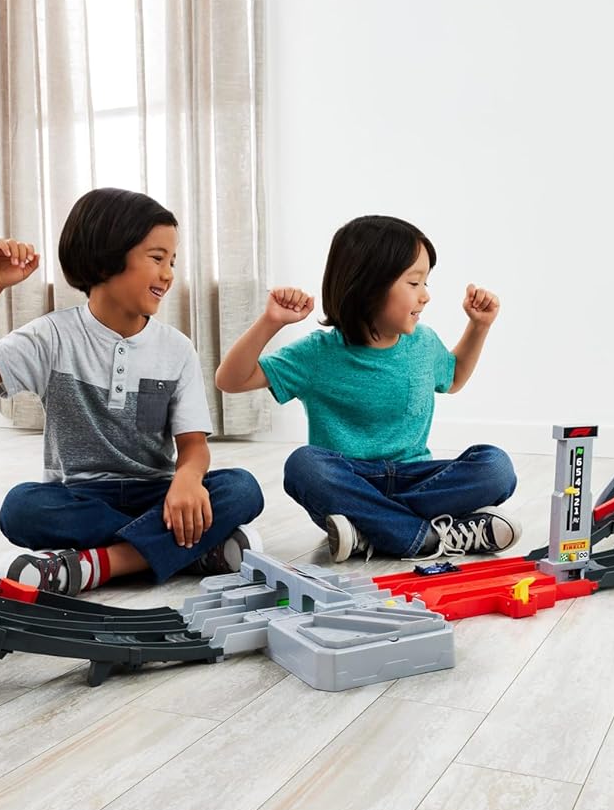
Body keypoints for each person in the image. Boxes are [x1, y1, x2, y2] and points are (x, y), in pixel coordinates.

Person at [0, 187, 263, 594]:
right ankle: (188, 550)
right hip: (79, 498)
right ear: (108, 255)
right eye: (157, 258)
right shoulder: (52, 337)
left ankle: (99, 564)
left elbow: (193, 445)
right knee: (21, 508)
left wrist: (188, 480)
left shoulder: (176, 348)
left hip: (156, 495)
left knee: (242, 488)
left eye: (172, 262)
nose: (169, 274)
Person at [214, 214, 517, 562]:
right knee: (303, 466)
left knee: (495, 466)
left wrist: (479, 326)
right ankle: (430, 534)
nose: (426, 296)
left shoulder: (423, 343)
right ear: (369, 286)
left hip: (415, 478)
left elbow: (454, 378)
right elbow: (230, 380)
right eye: (414, 283)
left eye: (426, 283)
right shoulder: (317, 353)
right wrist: (271, 322)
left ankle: (372, 530)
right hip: (349, 482)